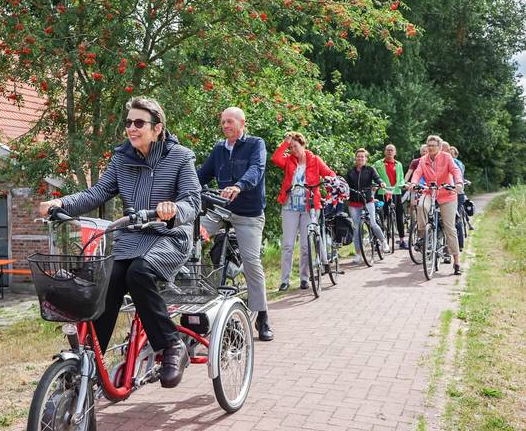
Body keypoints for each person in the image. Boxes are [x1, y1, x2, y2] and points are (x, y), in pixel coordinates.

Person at [39, 97, 201, 388]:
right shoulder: (122, 159)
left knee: (138, 274)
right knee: (109, 279)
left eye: (139, 123)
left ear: (157, 128)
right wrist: (61, 202)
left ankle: (171, 346)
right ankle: (90, 361)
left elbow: (192, 201)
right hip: (131, 237)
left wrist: (174, 210)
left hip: (169, 237)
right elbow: (97, 193)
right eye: (128, 122)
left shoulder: (180, 157)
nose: (131, 128)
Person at [197, 106, 272, 341]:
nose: (225, 126)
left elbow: (256, 170)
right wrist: (184, 186)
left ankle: (262, 315)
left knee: (251, 261)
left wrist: (239, 186)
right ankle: (197, 299)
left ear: (242, 123)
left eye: (230, 122)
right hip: (220, 210)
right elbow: (203, 174)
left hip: (248, 213)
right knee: (189, 238)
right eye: (223, 122)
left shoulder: (255, 144)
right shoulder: (219, 148)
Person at [271, 131, 335, 292]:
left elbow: (330, 175)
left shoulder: (315, 160)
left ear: (303, 145)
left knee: (306, 246)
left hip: (310, 206)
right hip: (289, 206)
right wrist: (285, 143)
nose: (293, 150)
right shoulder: (288, 160)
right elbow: (275, 158)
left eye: (295, 146)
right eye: (291, 147)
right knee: (287, 245)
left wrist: (330, 187)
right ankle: (284, 280)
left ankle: (304, 278)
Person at [410, 135, 464, 275]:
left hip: (447, 193)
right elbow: (417, 173)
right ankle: (423, 235)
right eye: (429, 145)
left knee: (449, 227)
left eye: (433, 145)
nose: (431, 148)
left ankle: (456, 262)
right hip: (430, 191)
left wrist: (458, 183)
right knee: (421, 205)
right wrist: (414, 183)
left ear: (440, 147)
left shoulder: (446, 157)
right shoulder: (423, 160)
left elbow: (455, 171)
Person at [345, 148, 389, 264]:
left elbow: (377, 178)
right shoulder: (351, 172)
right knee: (356, 229)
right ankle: (358, 254)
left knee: (373, 223)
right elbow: (345, 185)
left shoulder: (370, 169)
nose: (360, 158)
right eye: (358, 156)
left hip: (368, 201)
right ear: (356, 158)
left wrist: (381, 183)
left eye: (362, 157)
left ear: (366, 159)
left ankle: (383, 241)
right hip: (354, 203)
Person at [373, 144, 407, 249]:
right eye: (388, 150)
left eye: (392, 150)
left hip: (396, 192)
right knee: (381, 216)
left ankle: (402, 240)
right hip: (382, 192)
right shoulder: (378, 164)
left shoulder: (399, 164)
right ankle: (380, 240)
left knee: (399, 216)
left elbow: (401, 178)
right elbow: (374, 176)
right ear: (384, 152)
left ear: (395, 152)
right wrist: (377, 185)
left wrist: (402, 185)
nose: (390, 152)